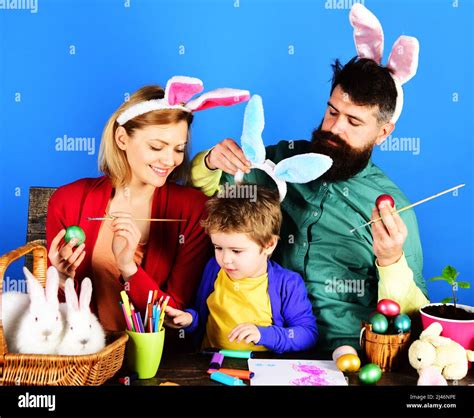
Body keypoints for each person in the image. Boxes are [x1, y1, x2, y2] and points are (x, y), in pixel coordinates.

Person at [190, 57, 430, 350]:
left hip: (344, 357)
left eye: (353, 121)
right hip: (267, 348)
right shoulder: (277, 162)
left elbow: (415, 315)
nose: (334, 128)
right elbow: (210, 190)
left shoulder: (392, 210)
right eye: (332, 112)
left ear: (383, 133)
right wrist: (210, 161)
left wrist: (391, 261)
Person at [46, 77, 249, 332]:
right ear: (122, 138)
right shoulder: (68, 201)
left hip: (159, 362)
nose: (169, 160)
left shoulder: (194, 210)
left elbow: (175, 315)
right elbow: (53, 316)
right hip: (88, 358)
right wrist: (62, 279)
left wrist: (129, 268)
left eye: (178, 148)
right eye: (156, 146)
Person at [164, 187, 318, 353]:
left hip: (261, 371)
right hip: (211, 365)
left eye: (236, 251)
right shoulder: (213, 269)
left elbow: (307, 334)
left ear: (269, 244)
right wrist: (189, 320)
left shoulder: (288, 284)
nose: (225, 259)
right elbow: (202, 315)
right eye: (218, 247)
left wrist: (263, 334)